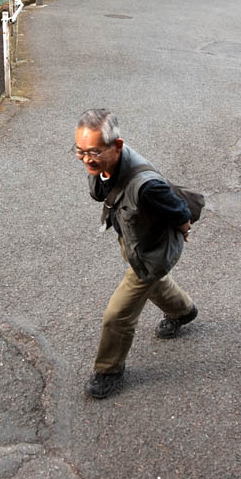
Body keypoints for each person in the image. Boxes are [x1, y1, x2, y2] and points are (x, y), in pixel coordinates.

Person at [75, 108, 198, 399]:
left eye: (93, 151)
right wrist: (97, 165)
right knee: (150, 281)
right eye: (79, 151)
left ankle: (109, 370)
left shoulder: (147, 187)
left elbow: (181, 211)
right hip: (134, 243)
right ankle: (183, 311)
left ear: (116, 146)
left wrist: (184, 229)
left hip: (153, 253)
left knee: (117, 315)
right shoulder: (107, 162)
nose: (86, 158)